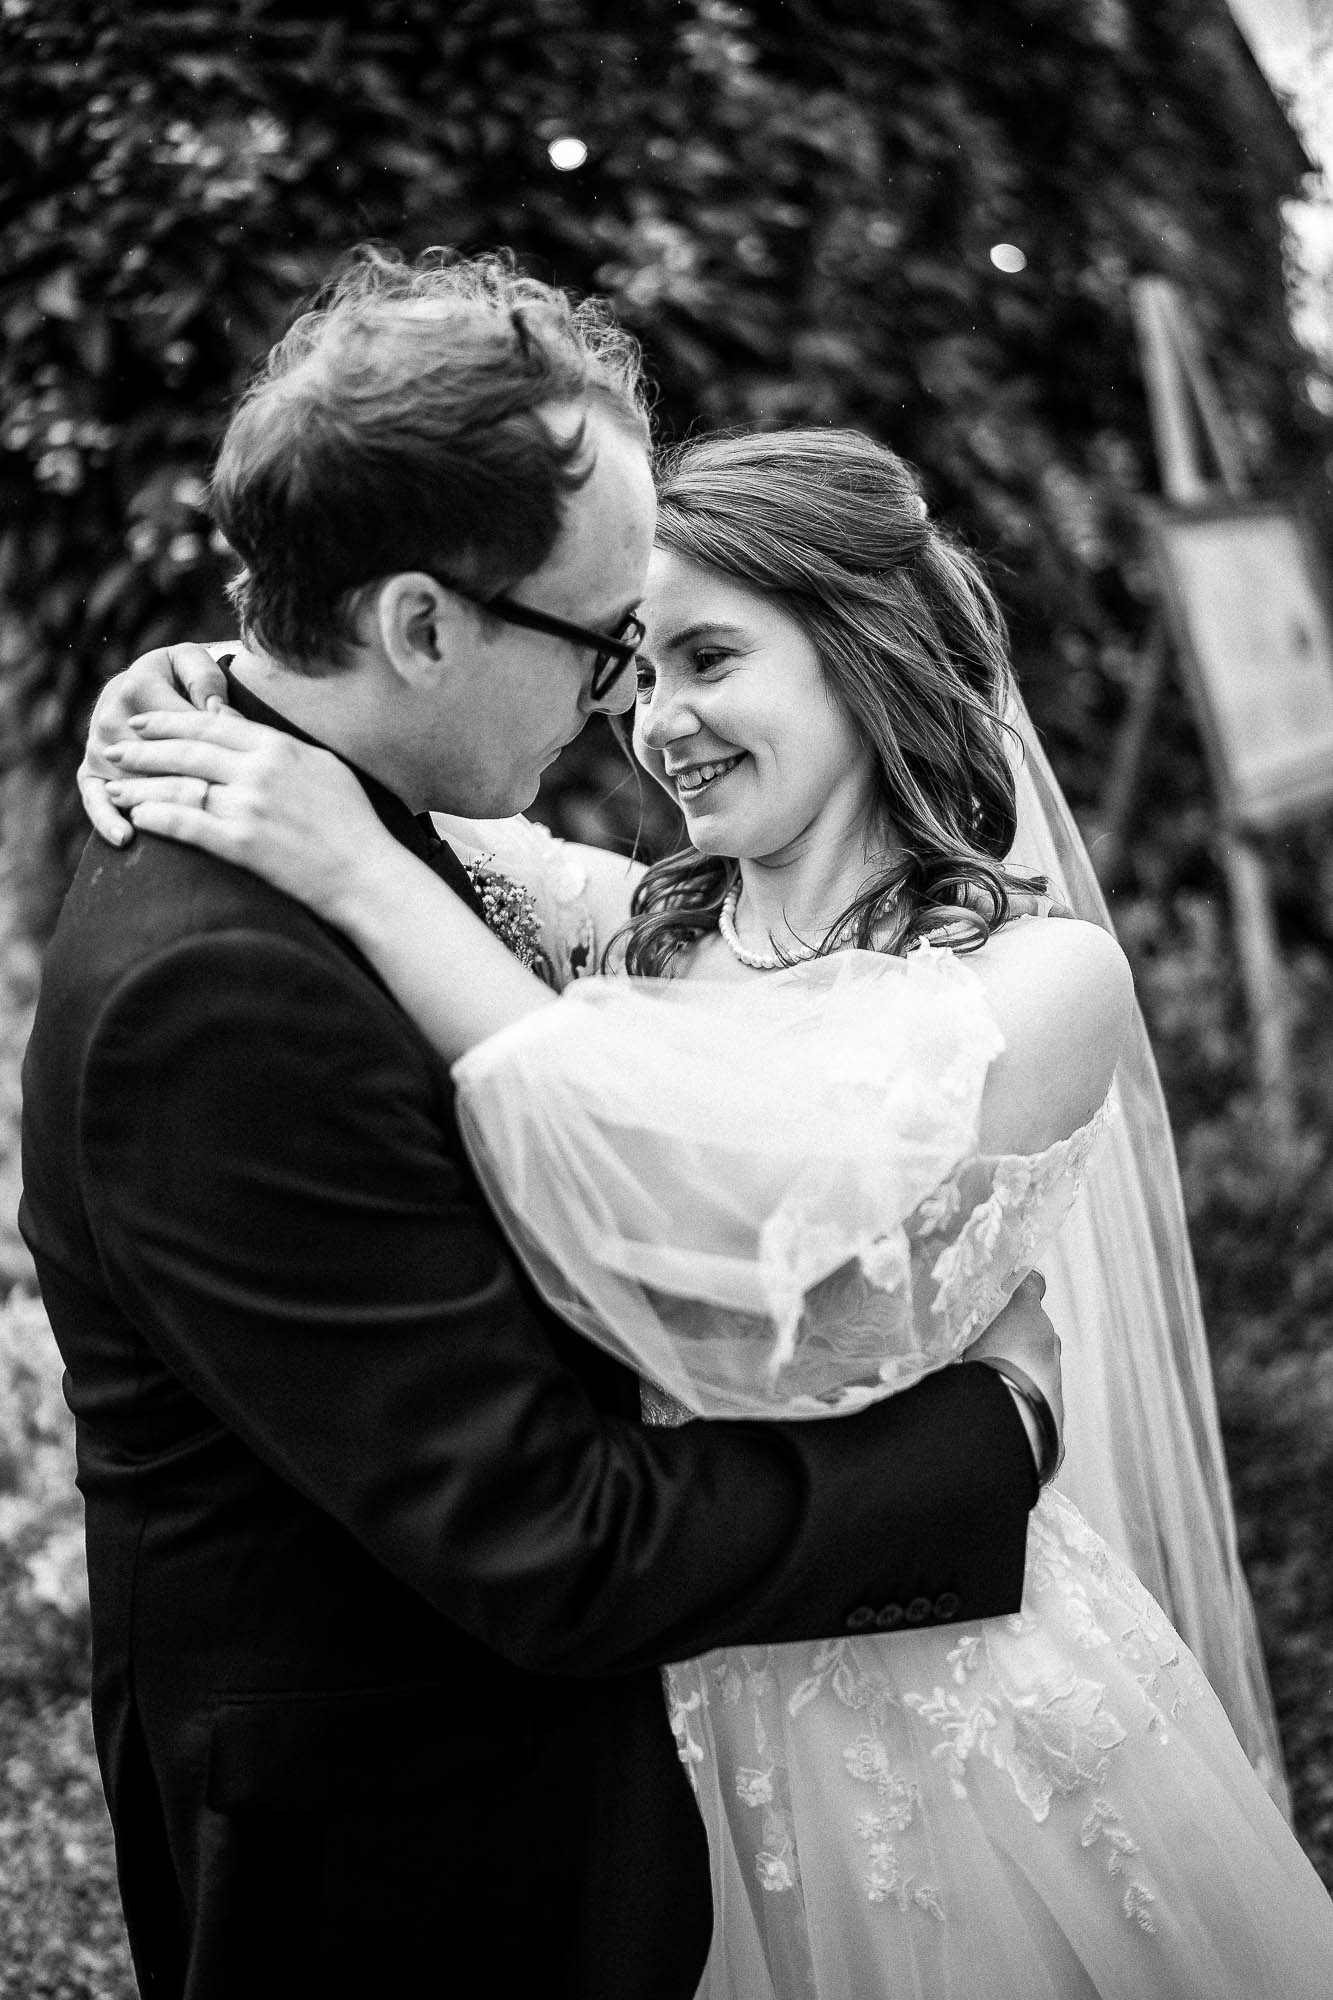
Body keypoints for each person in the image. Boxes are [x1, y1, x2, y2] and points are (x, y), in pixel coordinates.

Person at [89, 425, 1333, 1996]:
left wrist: (366, 882)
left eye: (707, 658)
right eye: (633, 667)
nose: (656, 721)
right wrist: (176, 686)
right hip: (641, 1671)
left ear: (861, 653)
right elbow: (370, 701)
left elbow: (730, 1174)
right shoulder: (630, 925)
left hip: (930, 1687)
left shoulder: (1040, 981)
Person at [19, 255, 1064, 2000]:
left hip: (567, 1773)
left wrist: (193, 674)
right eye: (608, 650)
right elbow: (552, 1537)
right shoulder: (224, 985)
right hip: (390, 1854)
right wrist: (998, 1431)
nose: (625, 712)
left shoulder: (377, 840)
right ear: (421, 624)